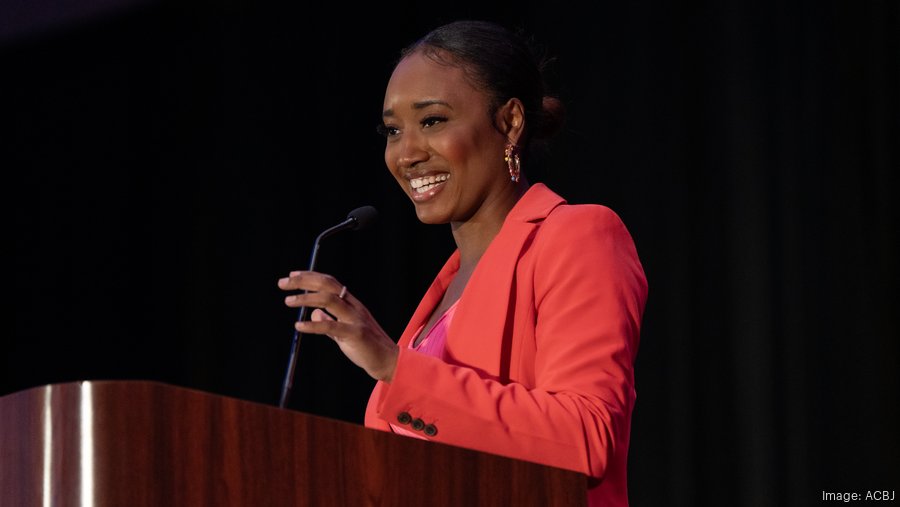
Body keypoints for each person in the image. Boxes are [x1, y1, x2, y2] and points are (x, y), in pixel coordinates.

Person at [278, 20, 648, 506]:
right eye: (393, 130)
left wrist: (394, 366)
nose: (407, 153)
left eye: (432, 121)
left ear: (510, 122)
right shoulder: (443, 291)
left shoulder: (577, 236)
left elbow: (585, 437)